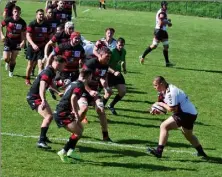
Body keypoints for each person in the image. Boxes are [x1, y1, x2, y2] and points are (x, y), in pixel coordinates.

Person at [148, 76, 208, 158]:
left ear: (161, 84)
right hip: (191, 113)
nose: (154, 87)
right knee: (188, 134)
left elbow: (171, 109)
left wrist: (160, 104)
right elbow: (164, 108)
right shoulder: (163, 91)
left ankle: (159, 151)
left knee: (164, 126)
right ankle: (201, 152)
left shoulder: (171, 92)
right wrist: (157, 110)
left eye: (155, 85)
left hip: (185, 114)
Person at [26, 56, 66, 149]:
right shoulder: (47, 72)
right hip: (34, 97)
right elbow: (42, 86)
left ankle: (43, 137)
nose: (63, 68)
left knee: (49, 116)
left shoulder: (51, 71)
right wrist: (43, 100)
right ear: (57, 64)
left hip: (37, 97)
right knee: (48, 116)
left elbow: (50, 83)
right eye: (63, 66)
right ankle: (41, 141)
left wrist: (57, 92)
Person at [54, 69, 92, 163]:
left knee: (80, 129)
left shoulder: (74, 82)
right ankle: (63, 152)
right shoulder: (80, 85)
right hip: (62, 113)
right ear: (88, 77)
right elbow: (73, 97)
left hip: (64, 111)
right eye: (91, 76)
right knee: (78, 133)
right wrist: (75, 112)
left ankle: (71, 151)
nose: (92, 78)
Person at [78, 46, 112, 141]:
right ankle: (75, 128)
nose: (108, 59)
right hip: (83, 90)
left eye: (109, 57)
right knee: (84, 109)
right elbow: (81, 79)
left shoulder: (105, 65)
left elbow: (103, 77)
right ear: (100, 55)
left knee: (101, 110)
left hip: (94, 91)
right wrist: (89, 91)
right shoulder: (91, 63)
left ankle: (105, 135)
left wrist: (106, 87)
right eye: (107, 57)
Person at [139, 1, 173, 67]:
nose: (166, 6)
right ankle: (142, 56)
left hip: (163, 31)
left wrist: (167, 22)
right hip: (159, 31)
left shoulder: (164, 11)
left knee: (166, 46)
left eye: (166, 5)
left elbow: (163, 21)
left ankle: (167, 62)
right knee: (154, 45)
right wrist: (168, 22)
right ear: (162, 6)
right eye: (165, 5)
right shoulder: (162, 12)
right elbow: (161, 22)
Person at [25, 9, 51, 85]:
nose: (41, 16)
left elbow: (49, 36)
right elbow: (28, 36)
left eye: (42, 14)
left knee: (41, 65)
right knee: (30, 64)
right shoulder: (32, 24)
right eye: (40, 14)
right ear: (36, 15)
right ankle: (27, 79)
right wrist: (33, 44)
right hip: (32, 47)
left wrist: (48, 44)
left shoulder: (47, 25)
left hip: (42, 47)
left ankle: (38, 81)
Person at [0, 6, 26, 77]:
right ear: (12, 12)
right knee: (6, 58)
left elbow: (24, 33)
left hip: (17, 42)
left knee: (13, 59)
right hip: (8, 40)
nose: (16, 13)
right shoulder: (8, 19)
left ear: (20, 13)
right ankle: (7, 63)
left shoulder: (22, 22)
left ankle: (11, 72)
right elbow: (1, 25)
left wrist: (23, 41)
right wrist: (2, 35)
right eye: (15, 12)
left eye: (18, 12)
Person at [103, 37, 127, 115]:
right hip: (109, 74)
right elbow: (106, 65)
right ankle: (101, 107)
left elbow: (123, 61)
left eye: (122, 45)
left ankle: (111, 105)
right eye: (119, 45)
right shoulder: (112, 51)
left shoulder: (123, 51)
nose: (121, 47)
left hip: (118, 73)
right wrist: (113, 72)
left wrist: (124, 69)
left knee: (123, 91)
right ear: (116, 44)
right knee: (108, 93)